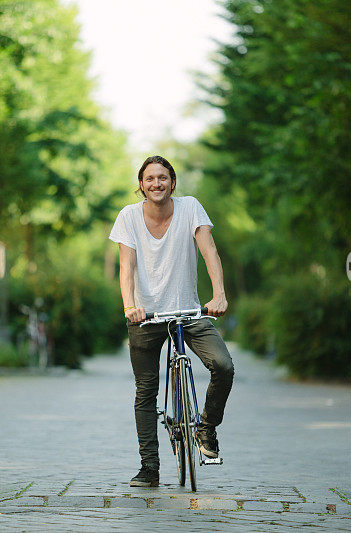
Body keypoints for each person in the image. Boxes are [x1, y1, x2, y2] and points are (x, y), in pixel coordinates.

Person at [109, 155, 235, 488]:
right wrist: (129, 306)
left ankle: (206, 427)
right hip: (145, 316)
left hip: (188, 312)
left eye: (162, 177)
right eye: (149, 178)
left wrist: (219, 295)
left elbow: (209, 250)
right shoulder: (128, 217)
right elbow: (126, 268)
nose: (156, 183)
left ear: (173, 182)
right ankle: (149, 467)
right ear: (141, 184)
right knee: (146, 391)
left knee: (223, 366)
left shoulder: (191, 207)